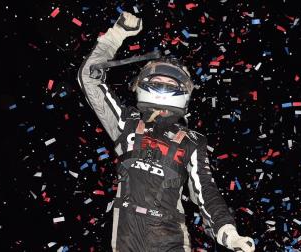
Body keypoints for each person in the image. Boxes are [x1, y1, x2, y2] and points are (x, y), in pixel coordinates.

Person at [77, 11, 255, 252]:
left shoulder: (191, 140)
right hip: (124, 241)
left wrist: (228, 232)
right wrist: (117, 34)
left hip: (170, 241)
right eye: (158, 80)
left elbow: (206, 190)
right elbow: (90, 78)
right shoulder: (127, 122)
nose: (163, 86)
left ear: (184, 91)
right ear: (143, 83)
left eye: (171, 83)